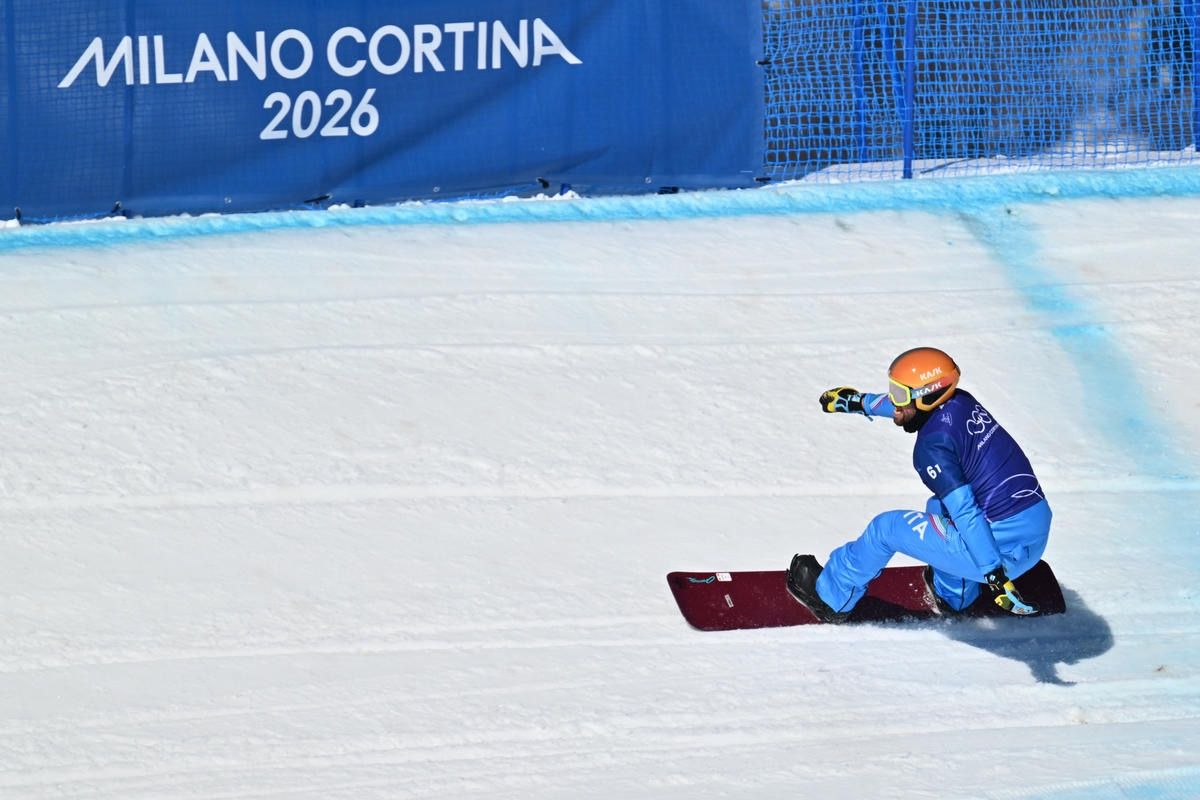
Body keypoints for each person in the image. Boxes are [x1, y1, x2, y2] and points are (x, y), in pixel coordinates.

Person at [785, 347, 1052, 623]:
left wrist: (994, 574)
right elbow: (904, 408)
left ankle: (833, 595)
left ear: (928, 397)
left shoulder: (932, 448)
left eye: (900, 394)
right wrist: (859, 402)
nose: (894, 402)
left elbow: (965, 511)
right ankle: (955, 596)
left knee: (886, 528)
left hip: (1000, 557)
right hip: (1033, 533)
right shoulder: (961, 402)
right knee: (937, 506)